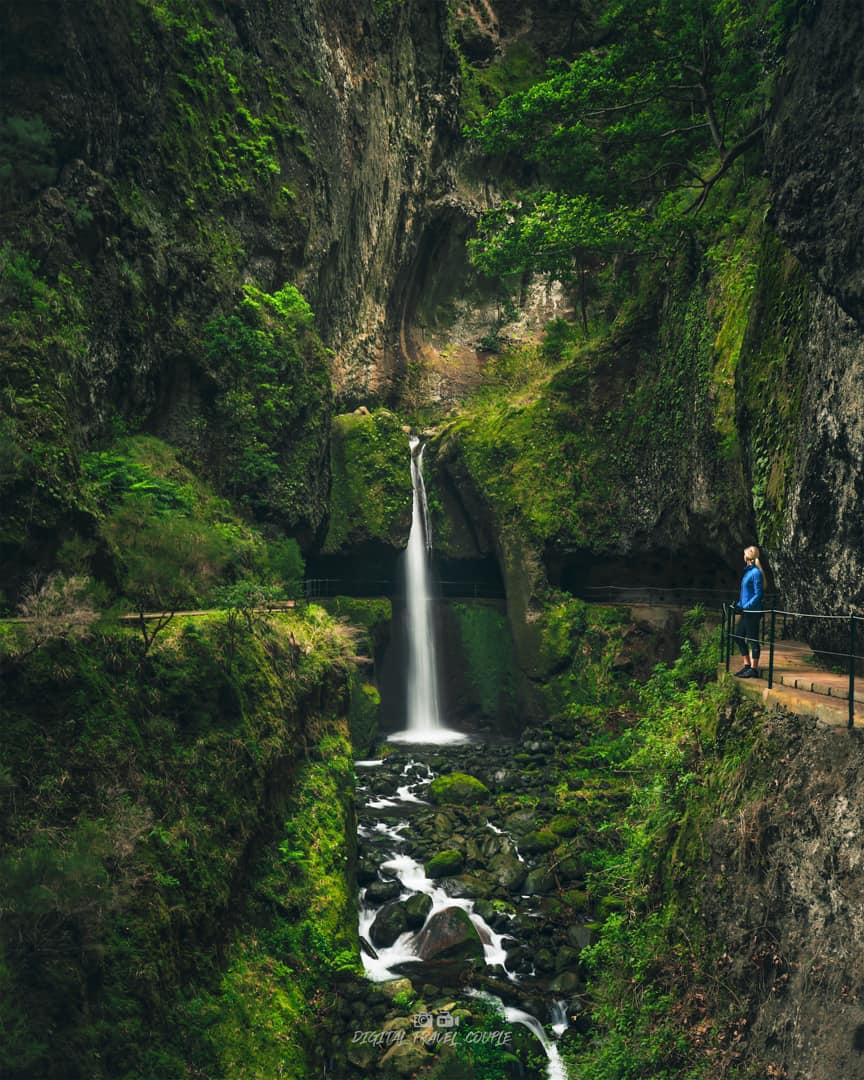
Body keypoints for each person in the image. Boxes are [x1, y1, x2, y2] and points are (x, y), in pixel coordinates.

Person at [732, 545, 765, 678]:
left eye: (744, 554)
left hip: (753, 612)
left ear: (748, 557)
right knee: (738, 637)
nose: (743, 556)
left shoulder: (756, 573)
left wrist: (745, 606)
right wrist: (738, 605)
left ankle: (754, 669)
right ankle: (747, 665)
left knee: (752, 639)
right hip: (746, 611)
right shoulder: (748, 572)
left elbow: (758, 594)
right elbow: (745, 593)